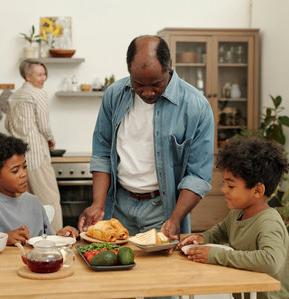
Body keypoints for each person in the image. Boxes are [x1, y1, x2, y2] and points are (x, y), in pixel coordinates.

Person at [78, 35, 215, 240]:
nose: (148, 92)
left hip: (163, 210)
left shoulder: (196, 106)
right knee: (116, 268)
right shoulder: (114, 95)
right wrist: (98, 204)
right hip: (118, 205)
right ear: (129, 72)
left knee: (161, 272)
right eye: (138, 84)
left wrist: (176, 218)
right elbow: (102, 153)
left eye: (156, 84)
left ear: (170, 67)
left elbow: (198, 175)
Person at [178, 137, 289, 299]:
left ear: (257, 190)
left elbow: (271, 260)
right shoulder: (238, 214)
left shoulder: (269, 223)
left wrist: (216, 255)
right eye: (224, 183)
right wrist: (202, 237)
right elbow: (221, 230)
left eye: (231, 185)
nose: (223, 190)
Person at [5, 58, 63, 233]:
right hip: (37, 155)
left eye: (44, 73)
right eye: (39, 74)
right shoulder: (38, 94)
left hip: (18, 158)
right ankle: (57, 237)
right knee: (49, 199)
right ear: (27, 76)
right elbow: (44, 124)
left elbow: (8, 125)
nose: (43, 77)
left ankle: (30, 239)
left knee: (25, 202)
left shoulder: (14, 96)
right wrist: (50, 138)